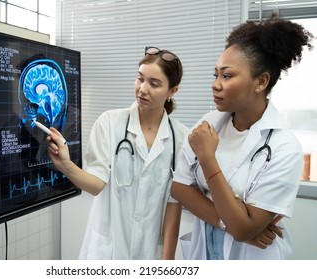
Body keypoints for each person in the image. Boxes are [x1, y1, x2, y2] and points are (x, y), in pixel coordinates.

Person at [171, 13, 314, 259]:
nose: (215, 84)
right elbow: (179, 188)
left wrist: (207, 159)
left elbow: (242, 228)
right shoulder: (208, 124)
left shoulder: (284, 147)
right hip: (205, 251)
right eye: (215, 74)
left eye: (227, 76)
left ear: (261, 82)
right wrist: (232, 222)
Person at [47, 46, 188, 259]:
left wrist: (167, 263)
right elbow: (96, 185)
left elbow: (173, 205)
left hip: (149, 253)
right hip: (107, 251)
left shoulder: (180, 137)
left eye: (154, 83)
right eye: (140, 79)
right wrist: (66, 164)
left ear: (172, 91)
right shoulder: (110, 122)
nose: (142, 89)